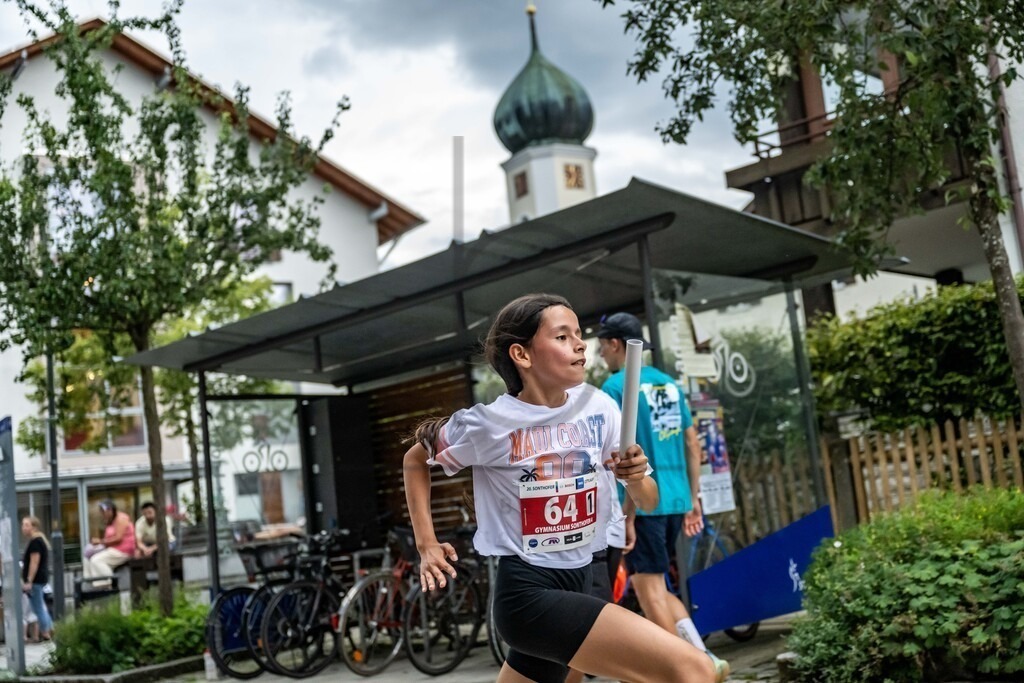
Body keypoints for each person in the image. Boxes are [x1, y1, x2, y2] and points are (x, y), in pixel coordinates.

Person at [404, 293, 716, 683]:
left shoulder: (599, 407)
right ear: (522, 354)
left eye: (580, 335)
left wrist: (636, 477)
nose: (580, 344)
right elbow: (415, 460)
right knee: (694, 669)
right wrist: (427, 544)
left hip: (585, 575)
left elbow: (648, 500)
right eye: (563, 336)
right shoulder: (490, 422)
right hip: (529, 593)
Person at [596, 312, 729, 680]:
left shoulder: (615, 387)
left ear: (615, 344)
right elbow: (691, 442)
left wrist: (627, 514)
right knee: (656, 584)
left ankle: (679, 672)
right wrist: (694, 497)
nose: (600, 355)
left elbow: (622, 456)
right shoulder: (669, 384)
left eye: (602, 346)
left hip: (644, 501)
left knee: (648, 588)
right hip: (677, 497)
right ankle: (704, 659)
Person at [83, 500, 135, 581]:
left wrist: (100, 541)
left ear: (110, 510)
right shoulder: (110, 521)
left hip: (123, 551)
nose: (102, 514)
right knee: (87, 556)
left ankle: (107, 583)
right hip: (112, 548)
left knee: (96, 560)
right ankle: (90, 580)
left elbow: (118, 538)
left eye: (103, 512)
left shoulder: (120, 519)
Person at [21, 516, 53, 641]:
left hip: (36, 580)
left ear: (34, 527)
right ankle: (49, 628)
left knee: (38, 607)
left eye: (26, 525)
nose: (23, 528)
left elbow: (34, 562)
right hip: (39, 579)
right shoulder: (38, 541)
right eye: (23, 525)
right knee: (39, 606)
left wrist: (29, 580)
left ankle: (46, 631)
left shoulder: (35, 542)